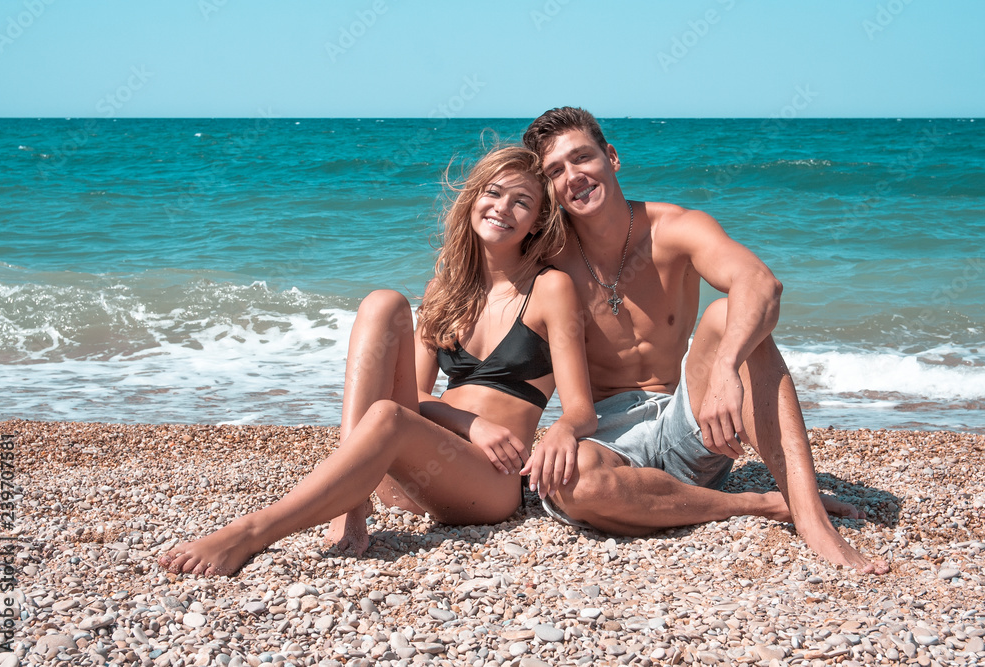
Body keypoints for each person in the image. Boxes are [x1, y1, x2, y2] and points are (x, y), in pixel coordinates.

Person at [158, 145, 598, 576]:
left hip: (485, 484)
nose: (503, 207)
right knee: (383, 302)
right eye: (494, 192)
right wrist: (470, 423)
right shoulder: (443, 290)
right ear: (473, 198)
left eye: (521, 202)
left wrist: (560, 432)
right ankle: (352, 498)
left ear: (538, 219)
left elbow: (581, 410)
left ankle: (251, 532)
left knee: (388, 416)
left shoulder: (550, 288)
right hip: (404, 475)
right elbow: (416, 396)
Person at [521, 107, 889, 574]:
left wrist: (725, 369)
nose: (573, 177)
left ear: (611, 157)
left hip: (685, 424)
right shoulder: (547, 256)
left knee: (727, 314)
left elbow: (760, 283)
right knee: (575, 489)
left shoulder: (675, 229)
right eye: (555, 171)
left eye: (582, 158)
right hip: (605, 432)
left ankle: (811, 518)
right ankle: (760, 504)